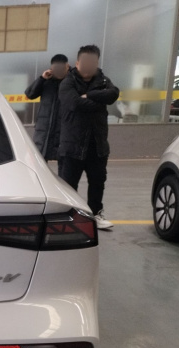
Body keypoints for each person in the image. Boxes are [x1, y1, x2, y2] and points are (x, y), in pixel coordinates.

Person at [58, 44, 119, 230]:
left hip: (97, 145)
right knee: (68, 186)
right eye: (85, 62)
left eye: (92, 62)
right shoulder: (67, 83)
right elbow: (75, 104)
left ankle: (96, 214)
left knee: (97, 183)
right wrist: (99, 102)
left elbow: (114, 94)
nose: (88, 66)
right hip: (72, 145)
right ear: (77, 63)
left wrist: (90, 95)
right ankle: (69, 217)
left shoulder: (103, 80)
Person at [25, 54, 69, 165]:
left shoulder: (72, 82)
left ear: (67, 67)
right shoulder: (46, 81)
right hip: (44, 131)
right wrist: (42, 79)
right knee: (39, 164)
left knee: (64, 167)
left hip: (64, 131)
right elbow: (29, 94)